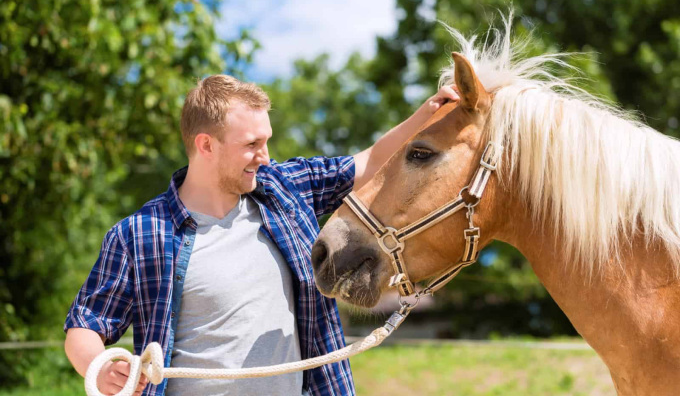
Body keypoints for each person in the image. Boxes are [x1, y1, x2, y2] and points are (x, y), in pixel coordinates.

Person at [64, 74, 459, 396]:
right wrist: (97, 369)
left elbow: (370, 161)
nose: (266, 156)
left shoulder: (285, 188)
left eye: (266, 140)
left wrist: (428, 114)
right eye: (252, 144)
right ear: (206, 146)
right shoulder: (140, 234)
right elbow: (85, 324)